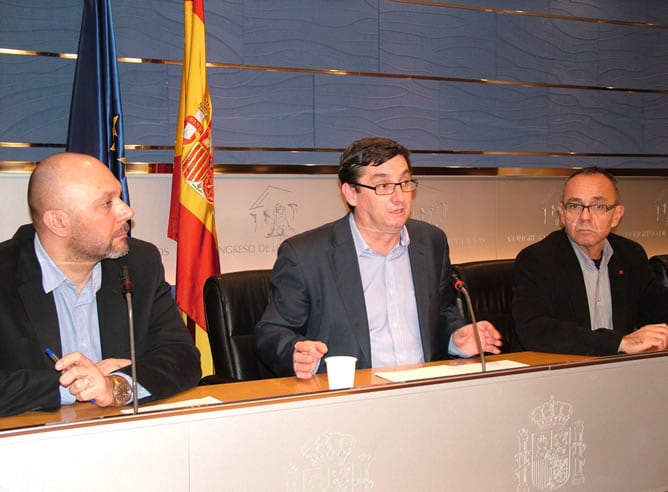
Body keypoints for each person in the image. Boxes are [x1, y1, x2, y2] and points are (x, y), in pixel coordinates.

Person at [255, 137, 502, 378]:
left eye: (405, 182)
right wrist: (295, 353)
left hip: (425, 392)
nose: (399, 196)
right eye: (383, 186)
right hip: (351, 399)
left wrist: (455, 337)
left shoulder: (431, 242)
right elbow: (273, 330)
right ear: (351, 193)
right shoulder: (306, 255)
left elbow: (443, 311)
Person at [0, 152, 201, 417]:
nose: (126, 211)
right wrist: (77, 386)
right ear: (58, 222)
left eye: (119, 196)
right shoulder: (6, 273)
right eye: (107, 203)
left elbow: (183, 358)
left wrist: (116, 385)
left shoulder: (140, 262)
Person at [512, 166, 668, 355]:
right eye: (575, 206)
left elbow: (658, 313)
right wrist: (618, 343)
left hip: (623, 372)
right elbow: (535, 331)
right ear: (562, 213)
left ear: (616, 215)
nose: (585, 217)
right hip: (565, 373)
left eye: (598, 206)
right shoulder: (537, 260)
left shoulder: (630, 255)